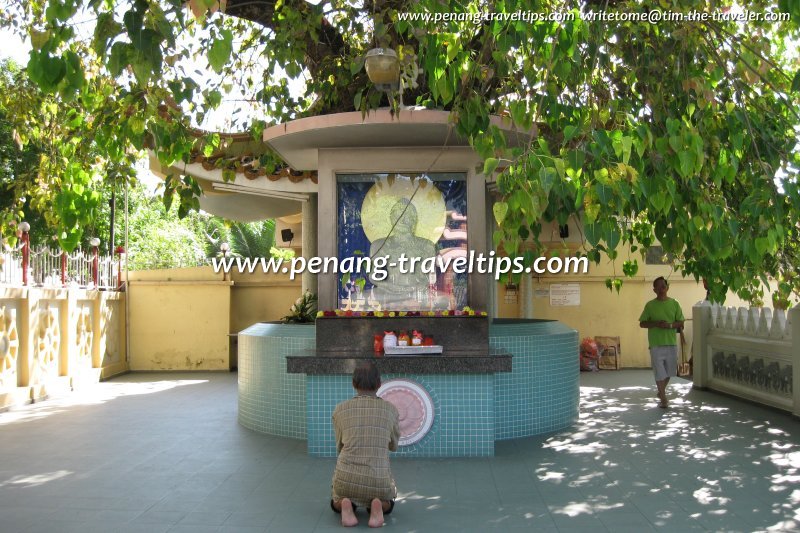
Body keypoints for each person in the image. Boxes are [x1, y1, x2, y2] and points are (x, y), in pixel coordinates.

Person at [330, 362, 400, 527]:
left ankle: (345, 504)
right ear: (379, 384)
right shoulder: (390, 410)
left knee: (335, 501)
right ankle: (377, 505)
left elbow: (340, 446)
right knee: (388, 504)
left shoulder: (340, 409)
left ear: (354, 383)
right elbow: (393, 446)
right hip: (378, 479)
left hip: (346, 478)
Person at [639, 276, 685, 408]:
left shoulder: (675, 303)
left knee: (670, 372)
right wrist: (655, 324)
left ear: (667, 288)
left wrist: (669, 326)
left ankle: (661, 390)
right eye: (658, 287)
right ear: (654, 290)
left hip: (671, 343)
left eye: (663, 287)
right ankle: (663, 398)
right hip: (655, 344)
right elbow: (642, 323)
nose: (661, 289)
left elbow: (681, 322)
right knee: (659, 371)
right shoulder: (650, 305)